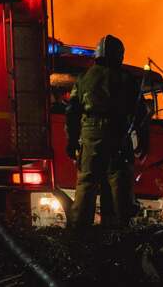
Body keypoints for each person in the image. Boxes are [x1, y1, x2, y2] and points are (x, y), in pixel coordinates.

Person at [64, 34, 144, 229]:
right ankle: (121, 229)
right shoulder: (127, 79)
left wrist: (72, 142)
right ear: (119, 55)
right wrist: (142, 141)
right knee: (119, 181)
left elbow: (72, 112)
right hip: (117, 133)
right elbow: (140, 113)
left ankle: (79, 231)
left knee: (87, 181)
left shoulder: (84, 78)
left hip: (90, 134)